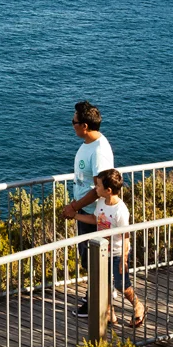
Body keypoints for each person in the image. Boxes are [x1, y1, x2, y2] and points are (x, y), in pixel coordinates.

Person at [59, 100, 113, 318]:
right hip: (85, 211)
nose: (71, 124)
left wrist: (74, 207)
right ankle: (96, 295)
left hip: (92, 212)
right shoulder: (88, 144)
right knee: (87, 258)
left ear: (85, 126)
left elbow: (99, 188)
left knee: (92, 259)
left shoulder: (99, 151)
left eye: (74, 121)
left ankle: (96, 303)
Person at [73, 168, 145, 328]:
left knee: (121, 285)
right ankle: (109, 314)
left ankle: (138, 305)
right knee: (102, 283)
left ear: (108, 190)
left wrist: (124, 259)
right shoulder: (100, 202)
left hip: (118, 252)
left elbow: (126, 235)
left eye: (98, 186)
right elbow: (95, 219)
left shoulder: (120, 211)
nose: (95, 189)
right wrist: (75, 215)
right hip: (103, 251)